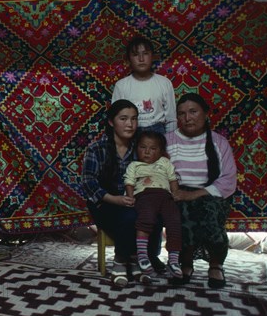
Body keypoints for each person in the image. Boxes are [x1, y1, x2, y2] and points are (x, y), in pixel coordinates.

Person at [81, 99, 162, 287]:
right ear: (111, 122)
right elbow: (88, 182)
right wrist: (115, 199)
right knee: (129, 218)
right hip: (104, 202)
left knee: (153, 217)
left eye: (134, 119)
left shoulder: (141, 148)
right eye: (123, 118)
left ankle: (134, 259)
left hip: (135, 200)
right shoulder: (97, 148)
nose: (130, 124)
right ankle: (121, 261)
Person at [166, 93, 237, 289]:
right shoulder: (168, 141)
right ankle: (185, 264)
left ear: (205, 113)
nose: (187, 118)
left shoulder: (219, 142)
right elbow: (157, 171)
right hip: (178, 194)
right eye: (181, 114)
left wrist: (195, 194)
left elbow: (228, 179)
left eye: (193, 111)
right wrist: (178, 193)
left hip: (210, 195)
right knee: (183, 212)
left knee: (208, 211)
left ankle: (216, 265)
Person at [124, 130, 183, 278]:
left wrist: (175, 194)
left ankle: (174, 260)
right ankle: (142, 254)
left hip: (165, 196)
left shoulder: (165, 163)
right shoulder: (134, 165)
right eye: (143, 147)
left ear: (161, 151)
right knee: (146, 217)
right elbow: (129, 182)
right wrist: (130, 198)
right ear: (136, 148)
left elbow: (172, 180)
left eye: (153, 149)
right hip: (145, 195)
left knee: (174, 221)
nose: (147, 152)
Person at [111, 36, 177, 134]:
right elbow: (116, 119)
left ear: (152, 57)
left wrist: (170, 144)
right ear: (129, 59)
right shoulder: (121, 86)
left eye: (145, 54)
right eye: (135, 54)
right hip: (132, 133)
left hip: (158, 133)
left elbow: (171, 119)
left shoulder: (164, 83)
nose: (141, 59)